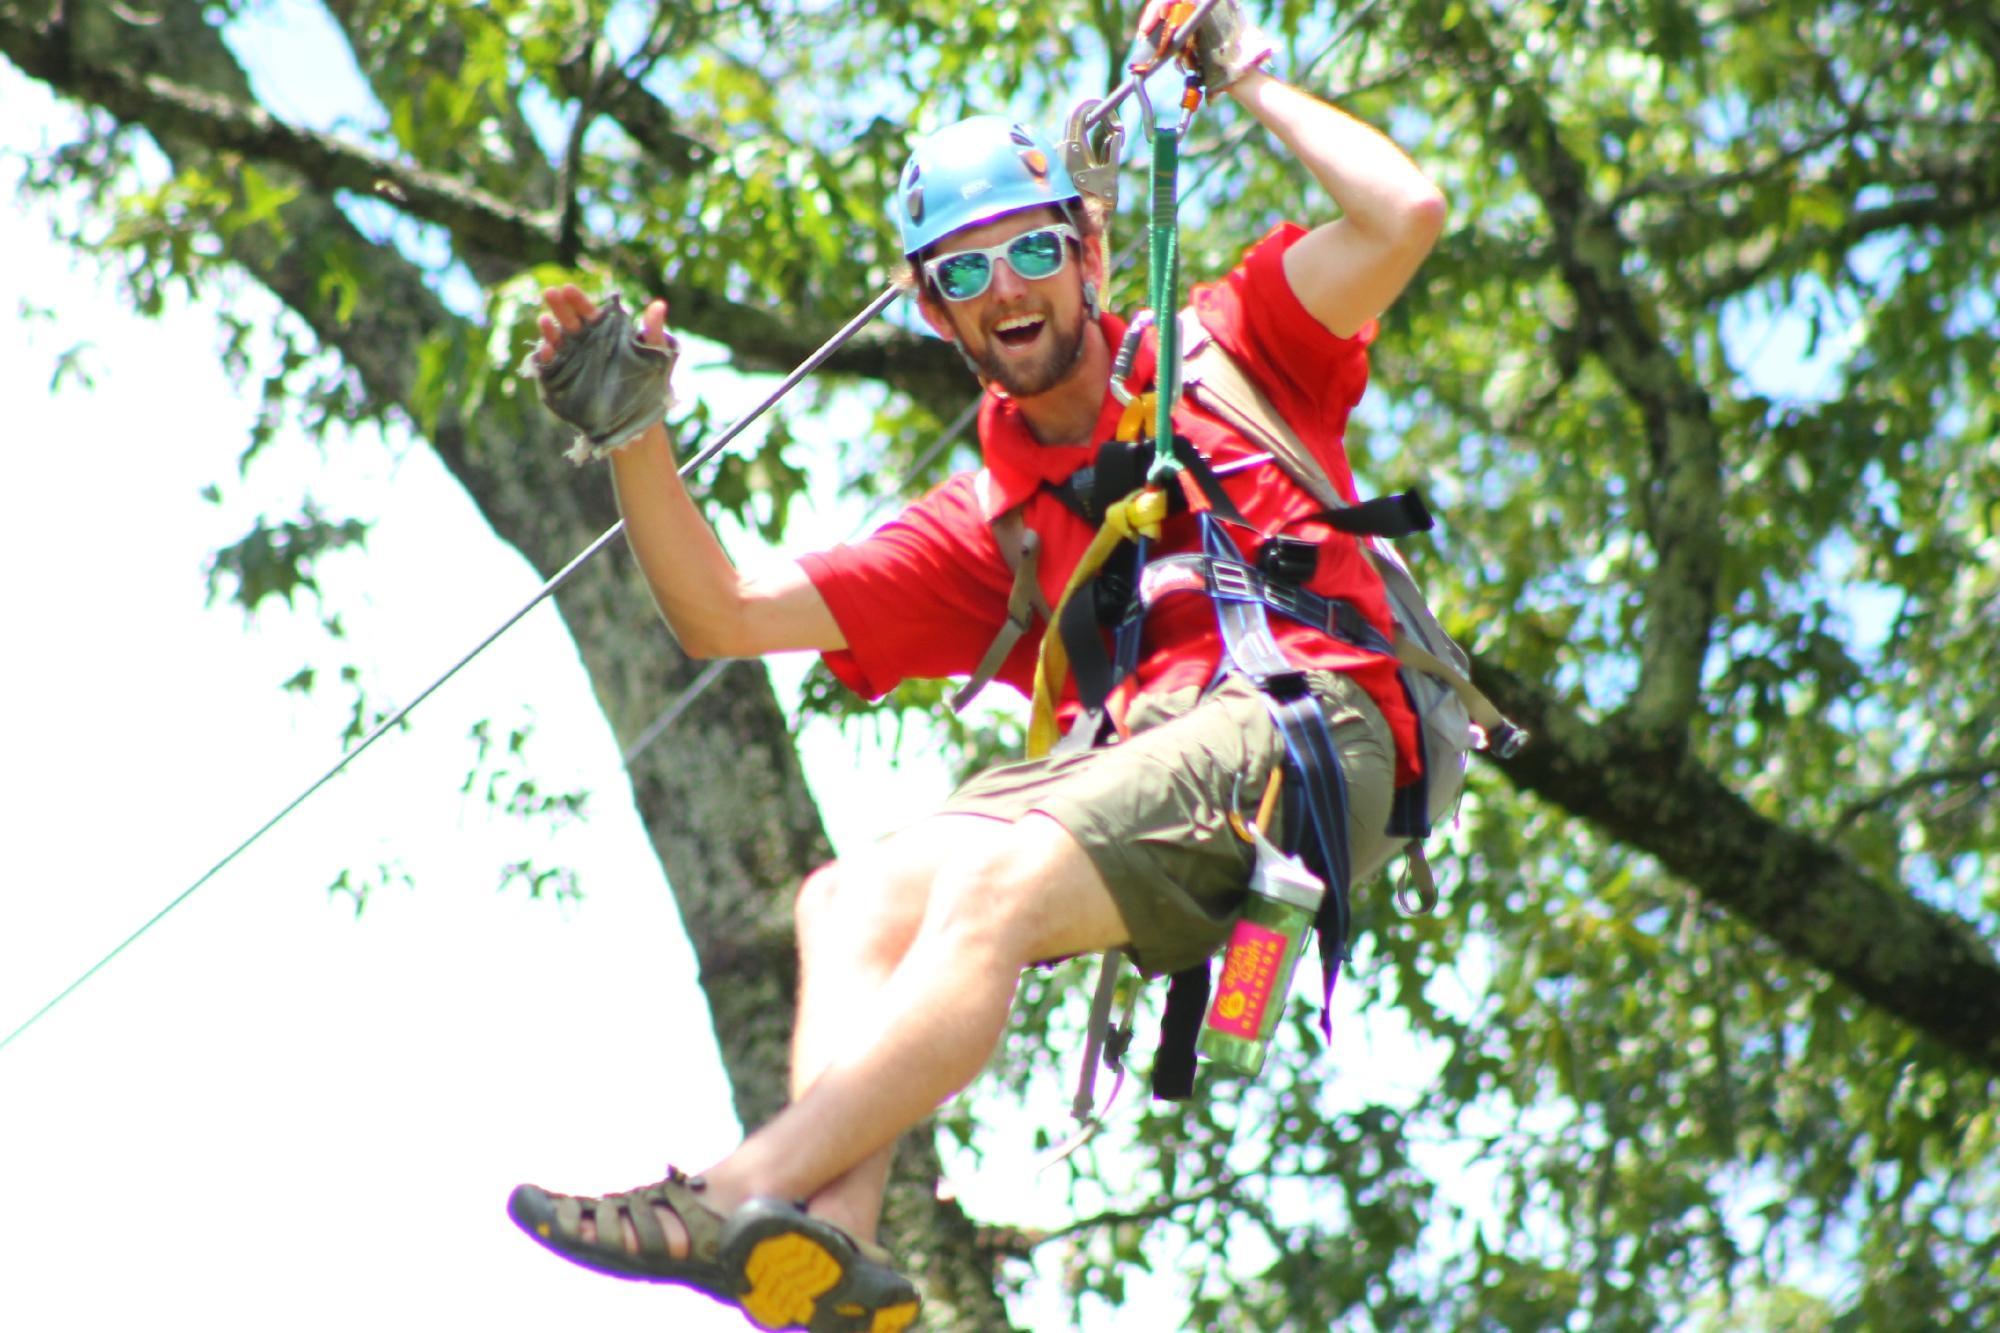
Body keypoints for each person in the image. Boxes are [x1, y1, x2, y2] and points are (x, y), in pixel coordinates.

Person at [507, 4, 1446, 1329]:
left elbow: (1404, 211)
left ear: (1091, 247)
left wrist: (1239, 75)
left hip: (1304, 724)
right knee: (850, 902)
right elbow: (719, 612)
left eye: (1030, 250)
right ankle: (821, 1250)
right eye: (964, 272)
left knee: (994, 878)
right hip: (1133, 766)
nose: (1006, 289)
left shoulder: (1235, 345)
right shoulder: (989, 531)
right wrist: (634, 435)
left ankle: (732, 1189)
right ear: (932, 307)